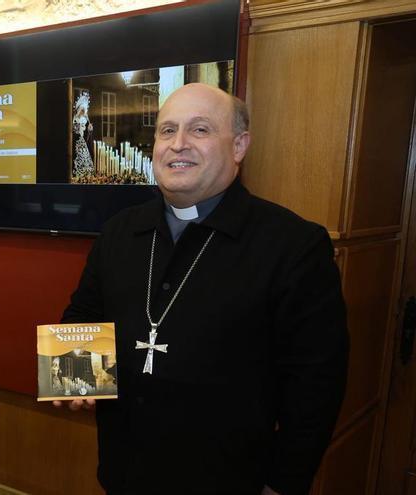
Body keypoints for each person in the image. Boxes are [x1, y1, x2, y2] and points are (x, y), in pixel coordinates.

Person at [59, 83, 348, 495]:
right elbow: (83, 316)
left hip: (229, 479)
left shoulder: (292, 245)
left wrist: (283, 483)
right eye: (166, 131)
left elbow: (316, 385)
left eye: (199, 130)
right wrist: (76, 379)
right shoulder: (119, 232)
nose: (178, 145)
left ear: (239, 146)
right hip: (124, 472)